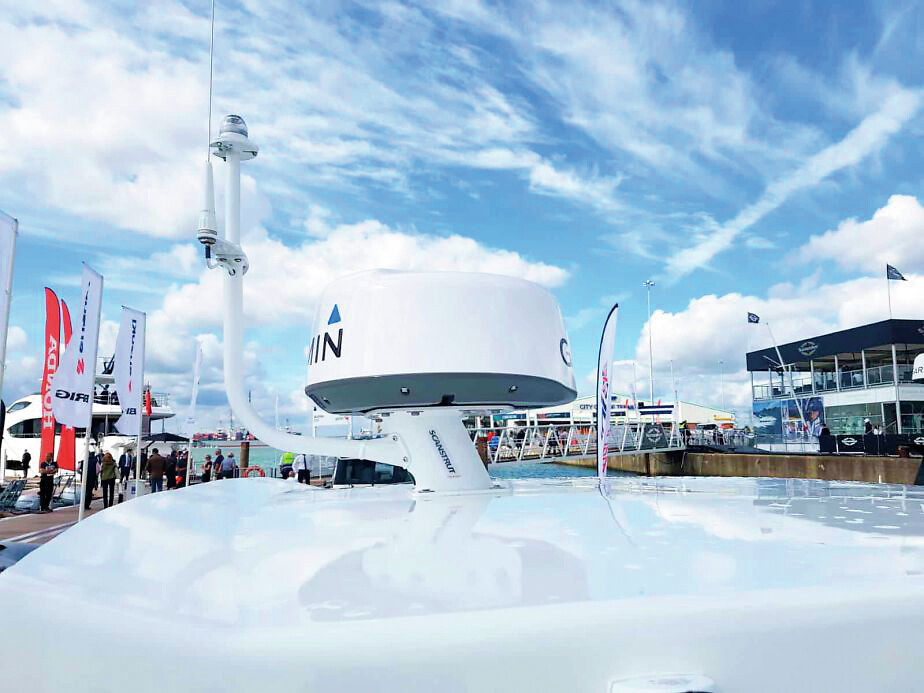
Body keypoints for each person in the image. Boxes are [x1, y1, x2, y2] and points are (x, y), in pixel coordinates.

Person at [83, 446, 100, 511]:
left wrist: (82, 473)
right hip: (92, 478)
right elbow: (98, 469)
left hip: (84, 478)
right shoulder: (95, 461)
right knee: (89, 492)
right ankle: (87, 505)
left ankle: (83, 504)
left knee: (84, 491)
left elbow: (78, 469)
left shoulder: (84, 460)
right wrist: (95, 475)